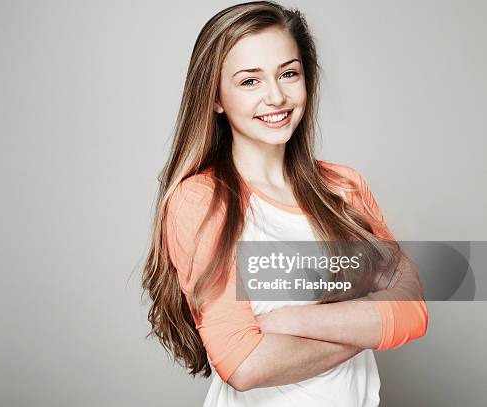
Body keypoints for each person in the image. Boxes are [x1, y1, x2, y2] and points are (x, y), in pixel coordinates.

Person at [142, 2, 428, 406]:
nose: (275, 96)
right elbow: (244, 365)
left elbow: (414, 312)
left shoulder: (344, 187)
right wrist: (370, 327)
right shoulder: (201, 200)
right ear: (216, 98)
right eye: (249, 81)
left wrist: (290, 322)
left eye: (288, 73)